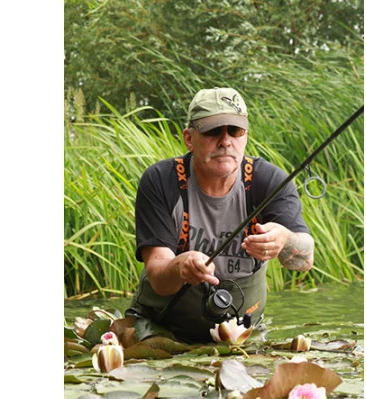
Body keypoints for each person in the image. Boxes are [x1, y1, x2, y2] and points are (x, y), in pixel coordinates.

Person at [126, 87, 314, 343]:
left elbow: (304, 261)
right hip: (161, 330)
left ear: (245, 136)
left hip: (243, 333)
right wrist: (181, 266)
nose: (225, 141)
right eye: (213, 131)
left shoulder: (269, 181)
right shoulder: (160, 180)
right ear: (189, 138)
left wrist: (285, 240)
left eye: (235, 131)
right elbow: (159, 278)